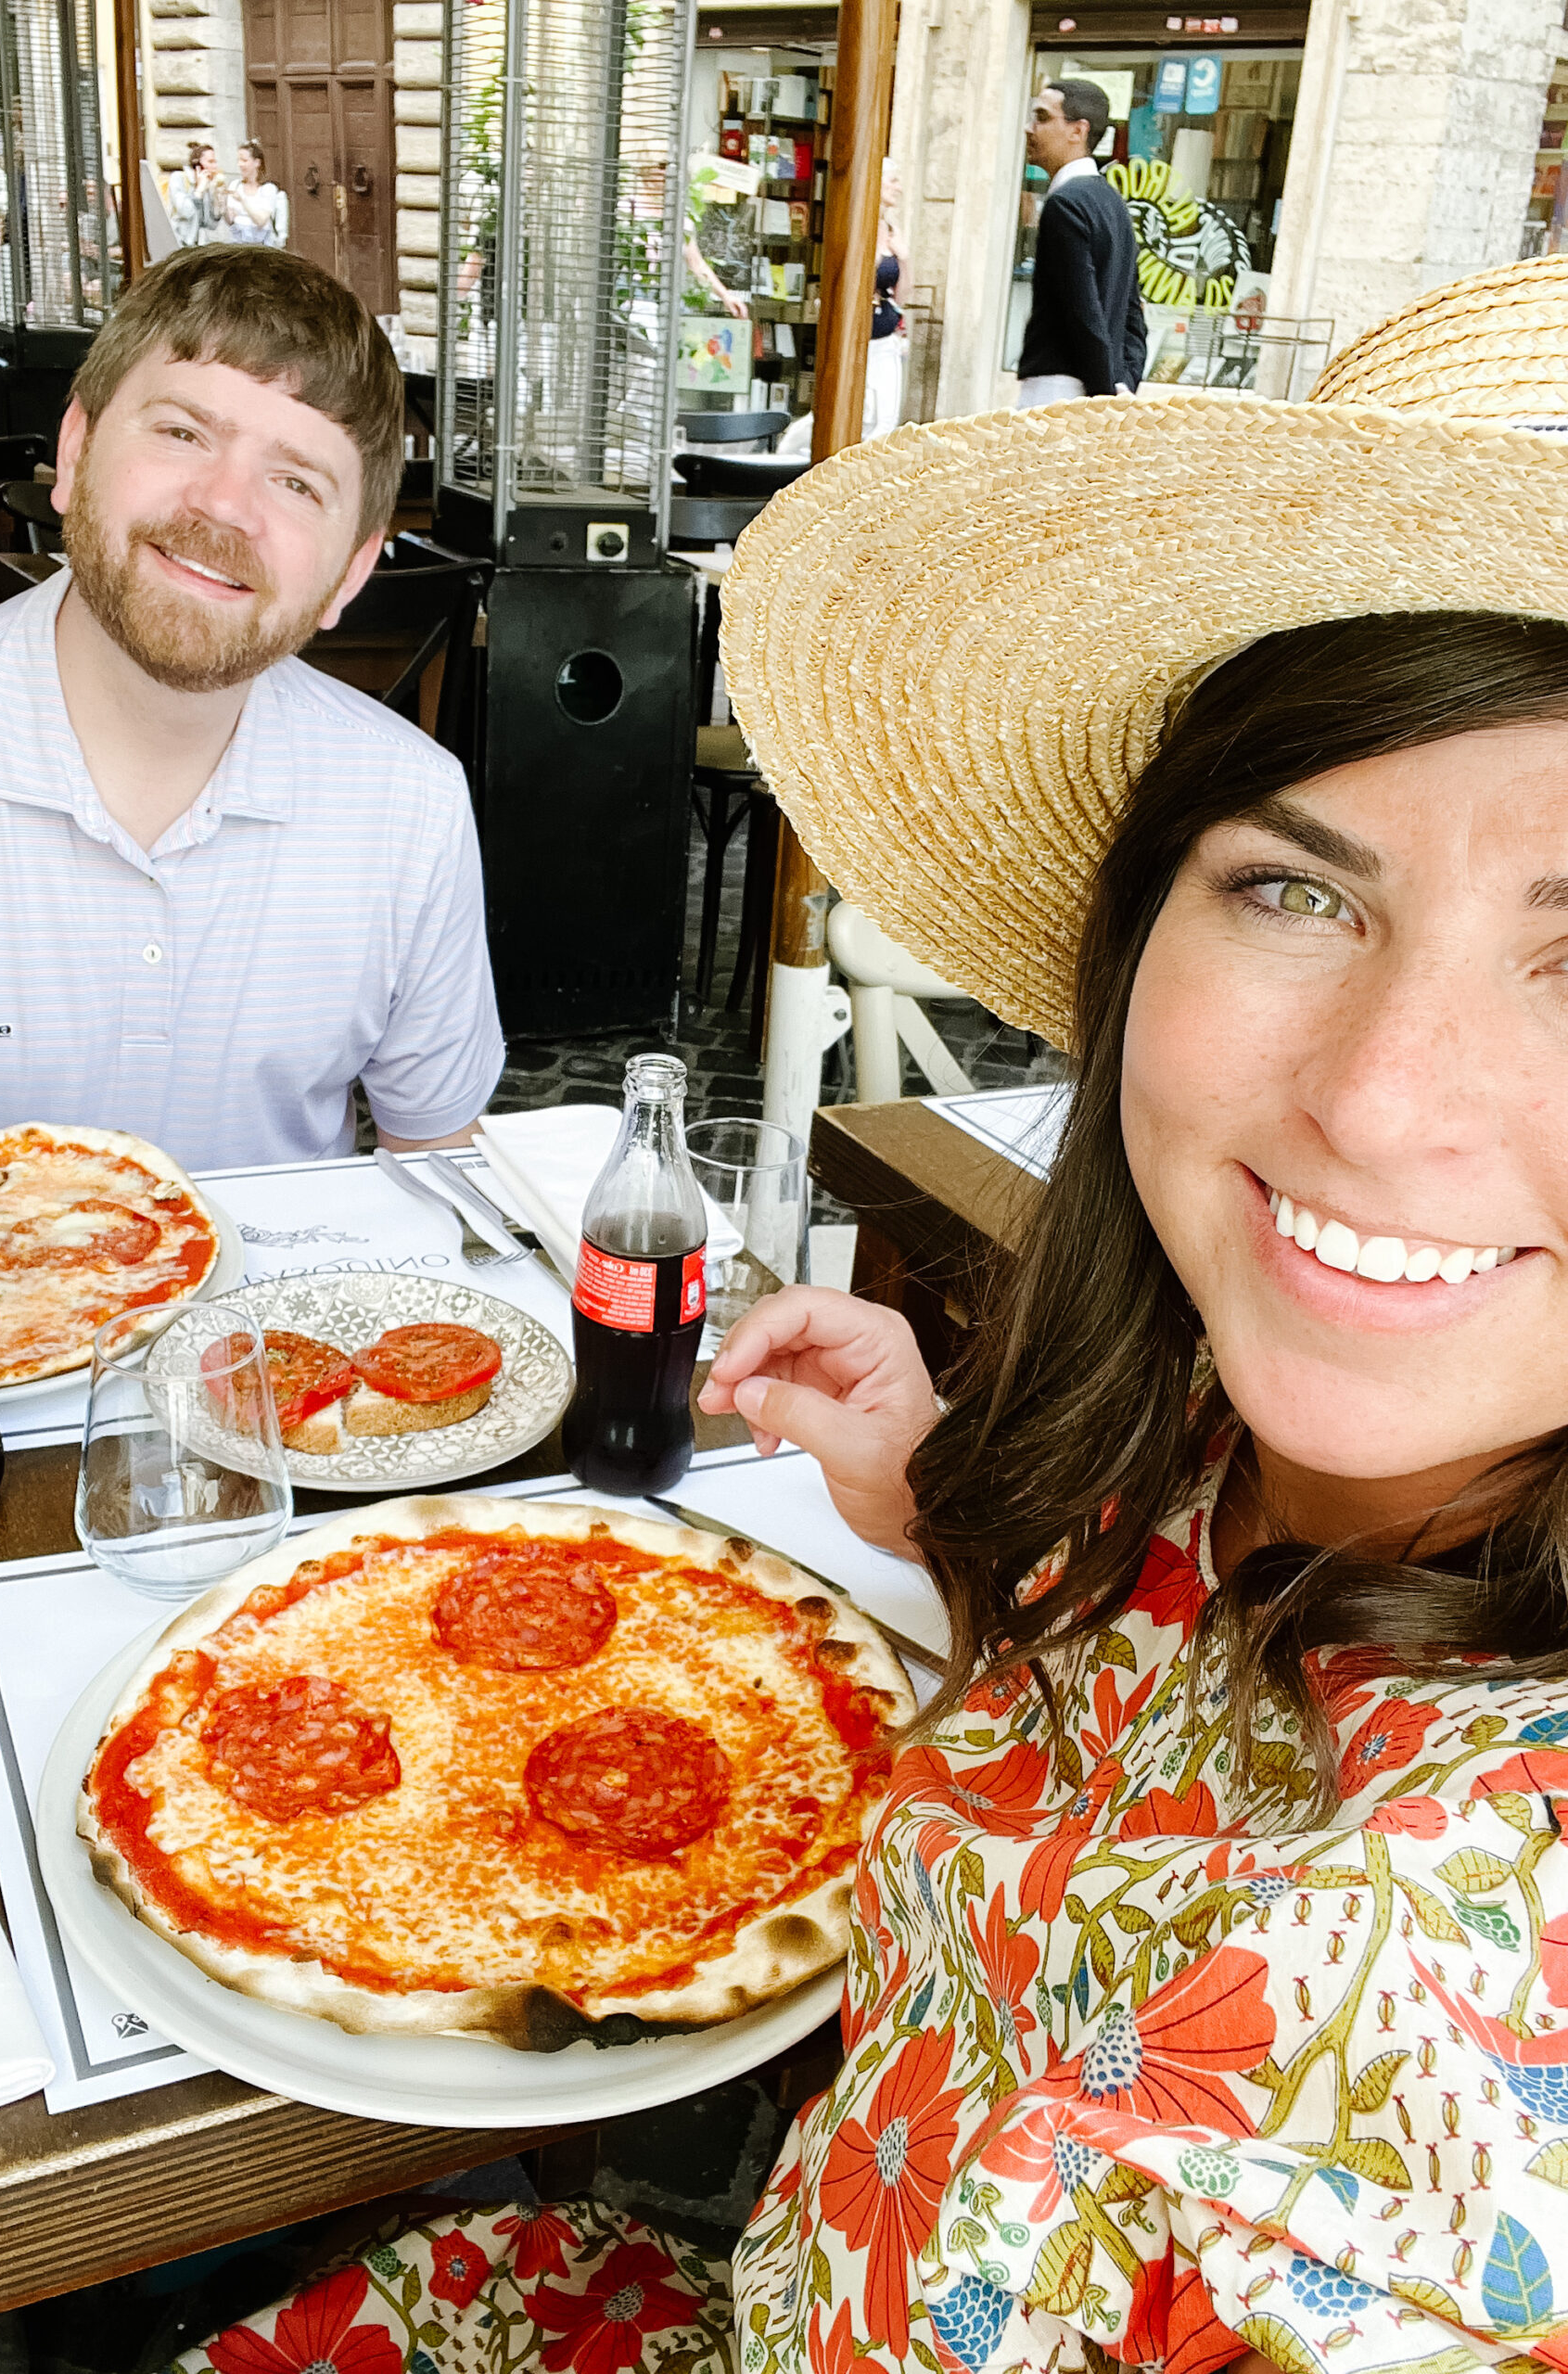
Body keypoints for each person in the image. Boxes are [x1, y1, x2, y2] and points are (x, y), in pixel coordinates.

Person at [696, 256, 1568, 2371]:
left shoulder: (1448, 1991)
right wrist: (939, 1479)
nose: (1375, 1093)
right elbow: (1149, 1708)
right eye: (1295, 885)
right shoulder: (1239, 1422)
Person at [0, 245, 504, 1172]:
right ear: (77, 450)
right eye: (181, 433)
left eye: (296, 483)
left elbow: (440, 1173)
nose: (225, 505)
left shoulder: (414, 807)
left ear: (353, 571)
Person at [1015, 77, 1145, 405]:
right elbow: (1134, 315)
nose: (1030, 129)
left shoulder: (1066, 204)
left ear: (1079, 131)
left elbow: (1083, 313)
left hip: (1057, 392)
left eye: (1043, 118)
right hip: (1098, 387)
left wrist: (1105, 394)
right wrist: (1122, 384)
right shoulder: (1114, 203)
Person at [865, 159, 910, 435]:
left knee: (886, 420)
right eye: (893, 181)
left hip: (885, 337)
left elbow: (903, 296)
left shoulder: (893, 231)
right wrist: (876, 257)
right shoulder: (862, 228)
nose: (899, 188)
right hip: (862, 338)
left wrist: (904, 259)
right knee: (864, 417)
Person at [220, 139, 288, 247]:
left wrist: (243, 201)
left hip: (261, 245)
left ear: (257, 162)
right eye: (239, 160)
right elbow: (230, 220)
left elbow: (261, 221)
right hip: (238, 243)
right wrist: (222, 204)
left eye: (244, 160)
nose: (240, 164)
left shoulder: (268, 189)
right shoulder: (235, 185)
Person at [168, 142, 224, 249]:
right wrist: (199, 191)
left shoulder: (206, 186)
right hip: (178, 243)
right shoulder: (178, 178)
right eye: (210, 162)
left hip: (196, 246)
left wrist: (218, 204)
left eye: (215, 162)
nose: (215, 166)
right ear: (197, 165)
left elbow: (210, 225)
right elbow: (186, 211)